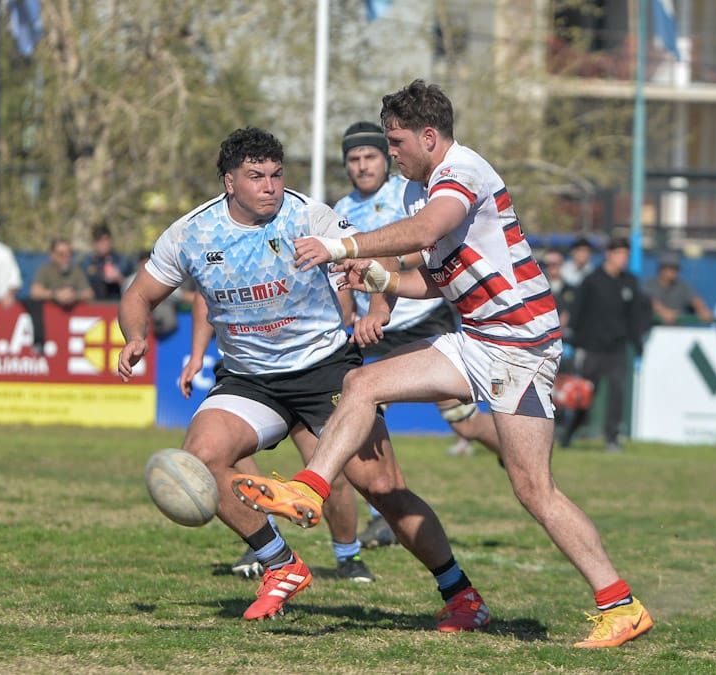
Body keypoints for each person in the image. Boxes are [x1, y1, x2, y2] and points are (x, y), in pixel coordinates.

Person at [233, 81, 653, 647]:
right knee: (362, 383)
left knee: (534, 489)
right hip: (476, 337)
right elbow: (437, 279)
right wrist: (380, 279)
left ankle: (620, 604)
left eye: (396, 141)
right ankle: (310, 488)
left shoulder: (463, 172)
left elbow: (429, 230)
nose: (390, 153)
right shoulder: (419, 188)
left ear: (429, 136)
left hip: (520, 347)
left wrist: (342, 248)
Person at [117, 127, 479, 626]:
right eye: (256, 176)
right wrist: (134, 336)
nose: (270, 186)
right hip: (250, 379)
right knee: (201, 457)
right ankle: (280, 564)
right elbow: (139, 295)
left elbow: (379, 255)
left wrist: (378, 308)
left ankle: (460, 593)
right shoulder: (191, 234)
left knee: (383, 488)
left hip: (324, 370)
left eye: (276, 174)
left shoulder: (309, 216)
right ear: (229, 182)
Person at [331, 120, 504, 544]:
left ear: (384, 159)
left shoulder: (407, 192)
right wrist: (347, 318)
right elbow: (341, 275)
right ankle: (385, 510)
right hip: (375, 327)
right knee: (364, 413)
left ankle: (511, 451)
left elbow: (407, 251)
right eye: (354, 159)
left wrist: (379, 297)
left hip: (421, 317)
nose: (363, 165)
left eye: (370, 156)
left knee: (463, 423)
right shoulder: (340, 209)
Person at [179, 293, 374, 583]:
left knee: (329, 473)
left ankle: (349, 555)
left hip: (309, 371)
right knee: (222, 455)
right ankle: (267, 542)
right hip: (252, 375)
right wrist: (197, 355)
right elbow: (203, 297)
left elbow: (343, 306)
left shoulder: (309, 264)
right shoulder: (222, 265)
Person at [560, 236, 647, 453]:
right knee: (585, 395)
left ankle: (612, 438)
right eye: (619, 254)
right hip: (592, 348)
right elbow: (577, 311)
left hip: (617, 348)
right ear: (608, 254)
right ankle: (569, 433)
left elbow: (635, 316)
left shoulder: (630, 282)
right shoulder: (592, 280)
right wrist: (573, 340)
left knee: (617, 393)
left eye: (626, 255)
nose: (623, 259)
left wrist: (638, 343)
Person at [644, 253, 712, 325]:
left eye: (676, 268)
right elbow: (650, 301)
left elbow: (695, 300)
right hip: (652, 328)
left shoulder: (683, 286)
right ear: (662, 269)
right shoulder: (649, 285)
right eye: (671, 268)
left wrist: (703, 310)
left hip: (677, 329)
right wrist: (664, 312)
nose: (674, 271)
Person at [30, 237, 94, 309]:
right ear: (52, 255)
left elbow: (89, 293)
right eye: (61, 254)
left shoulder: (76, 271)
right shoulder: (44, 270)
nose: (66, 257)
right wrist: (55, 294)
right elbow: (35, 292)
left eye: (69, 253)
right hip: (50, 312)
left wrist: (74, 296)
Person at [81, 224, 134, 301]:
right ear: (94, 243)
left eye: (106, 240)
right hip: (95, 304)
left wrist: (119, 278)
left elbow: (134, 287)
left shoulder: (123, 261)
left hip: (117, 303)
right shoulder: (87, 262)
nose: (104, 244)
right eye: (100, 241)